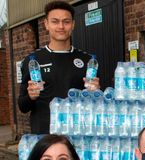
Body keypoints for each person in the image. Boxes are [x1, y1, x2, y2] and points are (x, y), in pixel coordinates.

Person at [18, 0, 100, 134]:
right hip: (45, 138)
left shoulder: (88, 61)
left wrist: (96, 93)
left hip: (78, 137)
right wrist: (31, 97)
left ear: (73, 24)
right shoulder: (33, 61)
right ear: (46, 24)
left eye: (66, 21)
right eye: (55, 21)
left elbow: (96, 105)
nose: (61, 26)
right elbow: (22, 106)